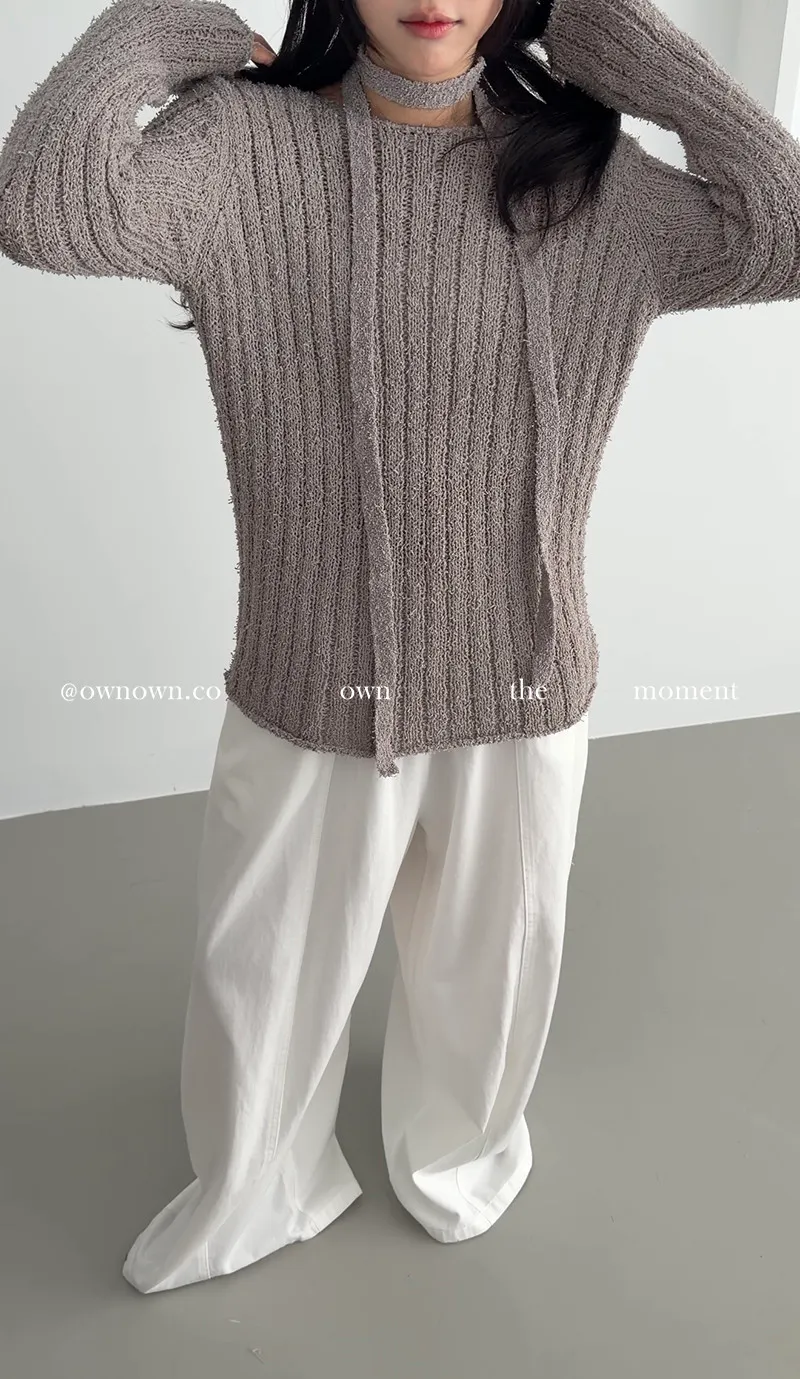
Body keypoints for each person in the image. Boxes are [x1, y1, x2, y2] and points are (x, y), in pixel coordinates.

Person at [1, 0, 798, 1294]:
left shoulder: (584, 177)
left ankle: (459, 1158)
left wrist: (630, 52)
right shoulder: (244, 148)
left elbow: (785, 228)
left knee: (490, 989)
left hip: (523, 677)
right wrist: (162, 32)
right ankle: (258, 1187)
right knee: (262, 986)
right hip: (313, 677)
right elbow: (41, 203)